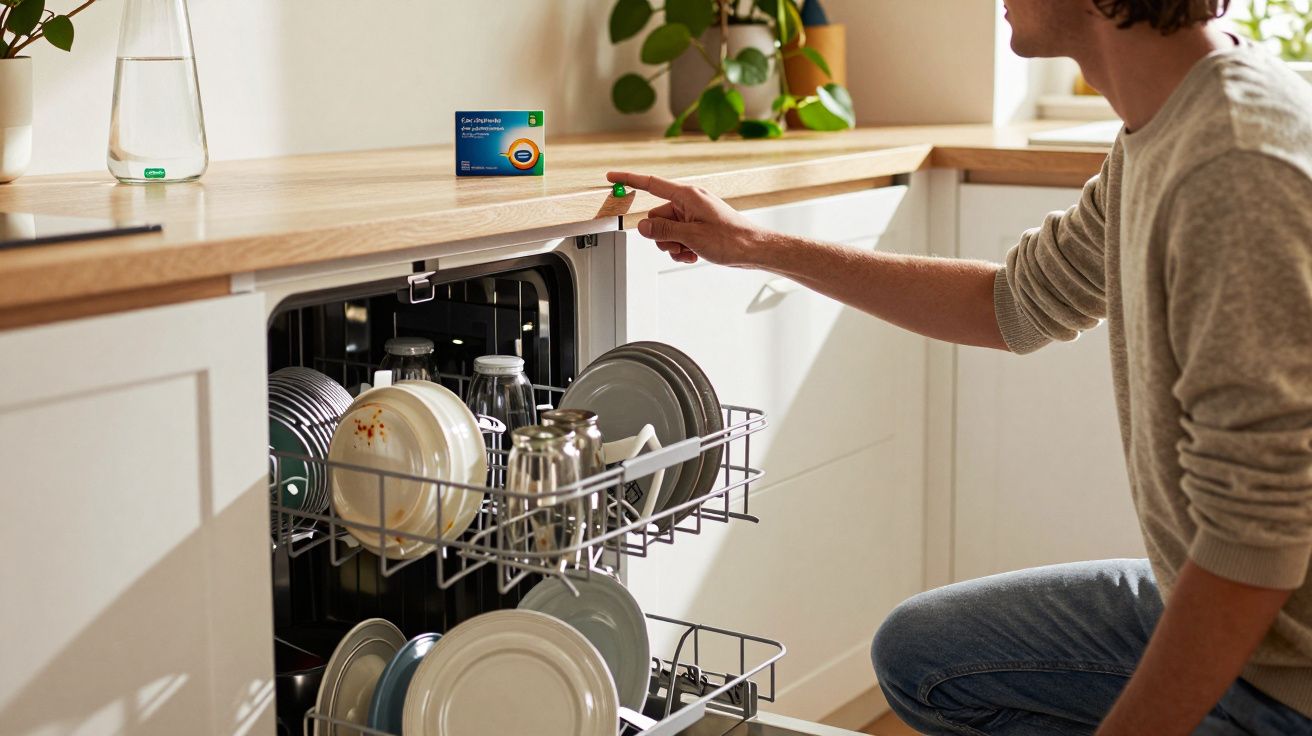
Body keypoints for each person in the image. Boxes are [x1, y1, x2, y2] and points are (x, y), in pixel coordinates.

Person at [606, 0, 1312, 733]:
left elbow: (1255, 546)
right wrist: (757, 245)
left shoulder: (1233, 166)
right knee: (923, 655)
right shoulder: (1166, 121)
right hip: (1235, 603)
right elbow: (1011, 303)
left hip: (1287, 670)